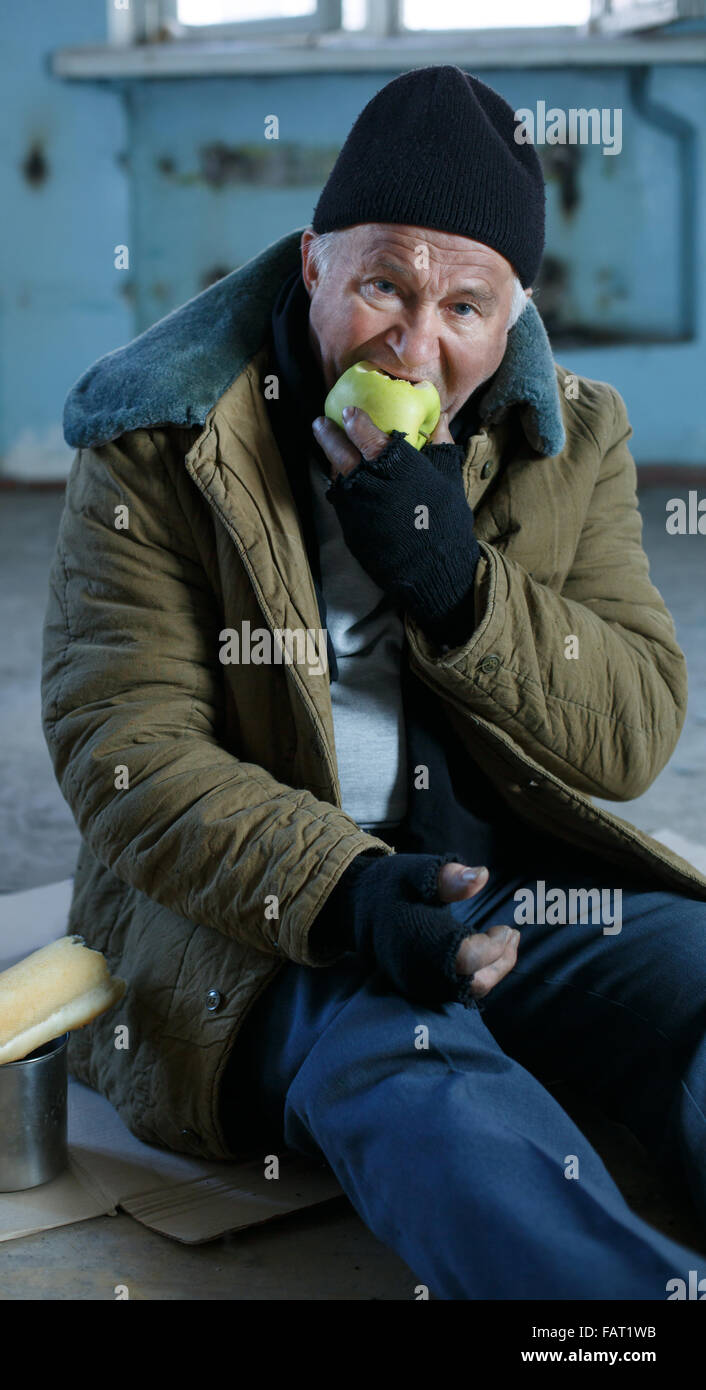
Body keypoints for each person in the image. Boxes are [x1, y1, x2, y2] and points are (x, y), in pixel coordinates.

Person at [41, 65, 706, 1298]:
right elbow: (122, 749)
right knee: (413, 1072)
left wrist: (459, 587)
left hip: (493, 891)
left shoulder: (570, 434)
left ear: (512, 315)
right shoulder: (159, 436)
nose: (415, 346)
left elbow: (632, 729)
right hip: (268, 926)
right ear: (313, 267)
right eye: (382, 286)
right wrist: (346, 892)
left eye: (466, 306)